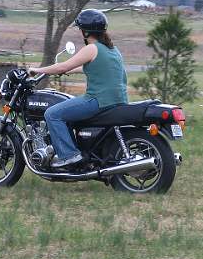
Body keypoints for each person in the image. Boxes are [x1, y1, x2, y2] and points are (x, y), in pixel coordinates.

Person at [28, 9, 128, 168]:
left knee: (52, 113)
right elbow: (93, 68)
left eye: (81, 29)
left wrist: (37, 70)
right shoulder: (112, 49)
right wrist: (69, 70)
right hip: (118, 101)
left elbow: (63, 66)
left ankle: (69, 156)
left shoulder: (91, 48)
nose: (80, 32)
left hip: (98, 101)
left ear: (86, 31)